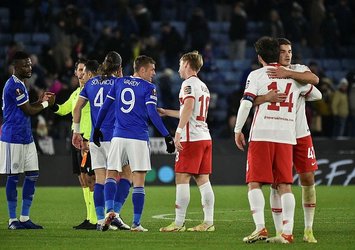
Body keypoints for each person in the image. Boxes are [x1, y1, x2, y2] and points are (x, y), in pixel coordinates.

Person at [234, 37, 321, 244]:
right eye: (284, 51)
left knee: (255, 182)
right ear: (277, 53)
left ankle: (260, 227)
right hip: (286, 136)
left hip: (264, 133)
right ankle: (286, 233)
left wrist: (237, 129)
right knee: (284, 184)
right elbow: (316, 93)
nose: (288, 54)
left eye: (290, 50)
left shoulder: (258, 74)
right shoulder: (297, 80)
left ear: (259, 57)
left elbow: (246, 103)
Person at [93, 55, 175, 232]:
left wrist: (96, 130)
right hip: (138, 137)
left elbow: (105, 107)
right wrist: (167, 135)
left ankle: (110, 211)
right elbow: (152, 114)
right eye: (152, 69)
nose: (154, 73)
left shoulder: (119, 82)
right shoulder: (149, 87)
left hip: (118, 136)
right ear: (142, 70)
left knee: (111, 173)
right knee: (138, 181)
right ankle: (136, 223)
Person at [72, 54, 131, 231]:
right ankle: (115, 214)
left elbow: (77, 108)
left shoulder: (90, 84)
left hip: (94, 137)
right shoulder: (118, 83)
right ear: (119, 68)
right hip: (114, 136)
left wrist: (76, 132)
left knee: (100, 179)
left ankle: (99, 220)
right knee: (126, 174)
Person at [159, 51, 215, 232]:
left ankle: (178, 223)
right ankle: (208, 222)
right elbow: (188, 112)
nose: (178, 68)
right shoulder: (203, 86)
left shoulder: (188, 84)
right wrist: (167, 112)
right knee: (203, 180)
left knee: (182, 177)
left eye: (180, 64)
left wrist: (178, 132)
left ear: (187, 65)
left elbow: (189, 107)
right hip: (204, 137)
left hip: (191, 139)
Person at [0, 51, 55, 229]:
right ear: (15, 68)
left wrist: (39, 101)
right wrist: (46, 104)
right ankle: (12, 220)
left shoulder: (22, 84)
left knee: (32, 174)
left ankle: (24, 218)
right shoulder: (13, 85)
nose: (29, 68)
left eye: (30, 64)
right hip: (12, 137)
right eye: (25, 65)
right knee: (14, 177)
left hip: (26, 137)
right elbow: (28, 111)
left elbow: (30, 107)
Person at [50, 58, 96, 230]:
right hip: (76, 140)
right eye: (79, 70)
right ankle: (89, 217)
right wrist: (51, 104)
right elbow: (63, 109)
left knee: (92, 179)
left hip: (88, 140)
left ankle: (96, 218)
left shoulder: (93, 91)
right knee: (83, 179)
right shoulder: (76, 93)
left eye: (84, 70)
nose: (82, 73)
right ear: (76, 72)